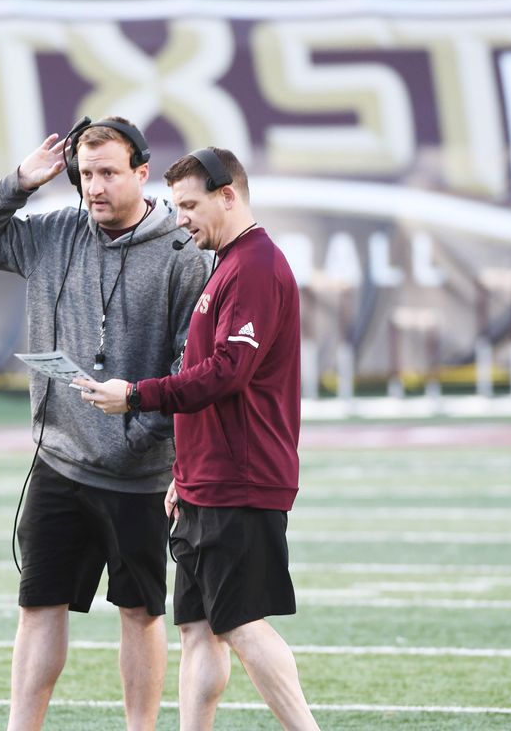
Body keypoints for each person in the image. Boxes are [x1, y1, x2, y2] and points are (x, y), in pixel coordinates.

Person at [0, 117, 211, 731]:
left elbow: (188, 362)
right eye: (85, 174)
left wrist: (144, 437)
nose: (94, 187)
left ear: (142, 174)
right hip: (59, 461)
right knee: (38, 605)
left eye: (108, 173)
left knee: (140, 612)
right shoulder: (54, 232)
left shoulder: (181, 250)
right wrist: (20, 182)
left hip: (139, 473)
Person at [76, 147, 323, 730]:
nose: (179, 217)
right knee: (196, 628)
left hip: (242, 477)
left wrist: (136, 394)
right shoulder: (228, 265)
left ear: (228, 195)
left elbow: (225, 373)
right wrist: (184, 473)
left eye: (189, 205)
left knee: (238, 622)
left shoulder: (257, 266)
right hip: (207, 479)